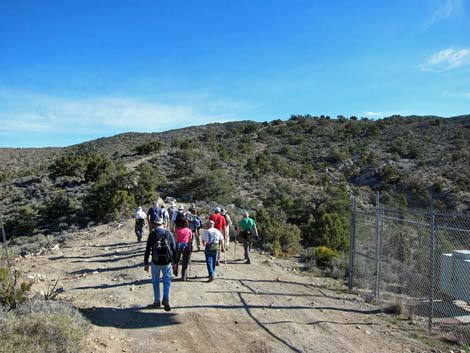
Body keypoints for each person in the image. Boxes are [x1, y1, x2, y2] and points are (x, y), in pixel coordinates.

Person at [144, 217, 176, 311]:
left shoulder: (152, 234)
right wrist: (175, 262)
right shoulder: (168, 234)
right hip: (167, 262)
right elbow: (174, 248)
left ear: (155, 224)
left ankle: (157, 301)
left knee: (155, 281)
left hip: (155, 261)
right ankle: (165, 298)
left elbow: (147, 249)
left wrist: (146, 263)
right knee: (167, 281)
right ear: (163, 224)